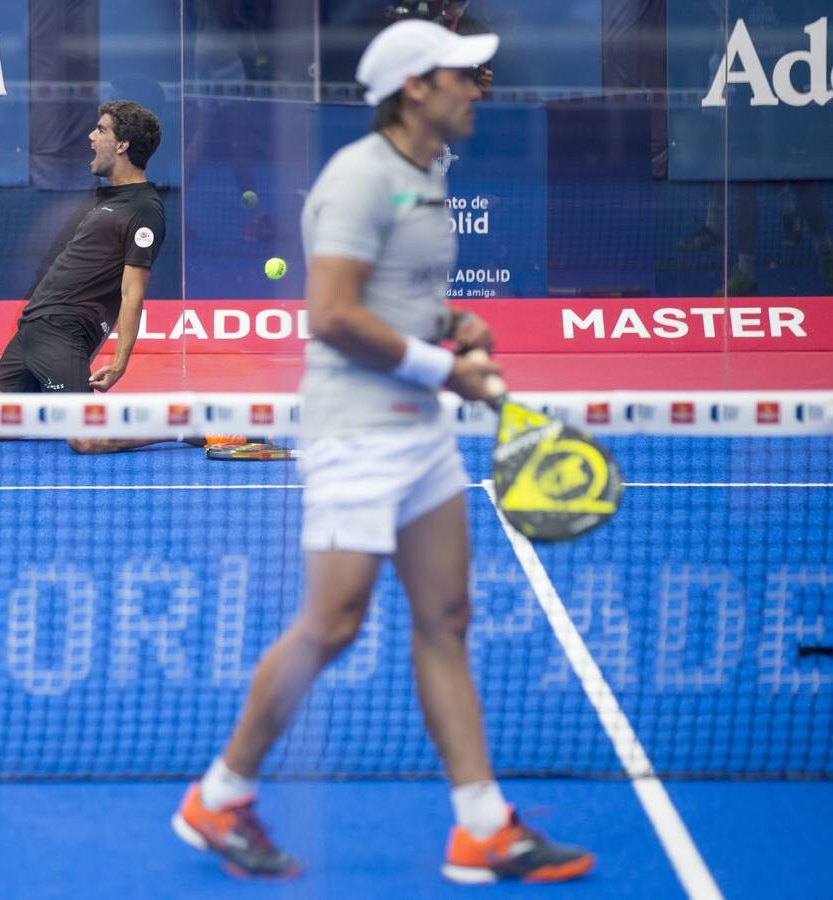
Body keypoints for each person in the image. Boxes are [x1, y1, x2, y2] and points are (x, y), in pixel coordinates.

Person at [171, 20, 595, 884]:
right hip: (355, 434)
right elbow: (328, 315)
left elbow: (395, 302)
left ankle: (480, 825)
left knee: (446, 619)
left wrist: (449, 324)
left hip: (420, 437)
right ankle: (217, 796)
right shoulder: (357, 180)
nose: (478, 89)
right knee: (332, 623)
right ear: (414, 87)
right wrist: (449, 367)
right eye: (462, 77)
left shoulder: (426, 177)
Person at [0, 100, 167, 454]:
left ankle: (179, 426)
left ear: (122, 146)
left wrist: (119, 362)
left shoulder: (143, 210)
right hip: (34, 328)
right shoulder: (109, 198)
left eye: (101, 130)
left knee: (86, 440)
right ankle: (72, 405)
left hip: (64, 330)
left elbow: (133, 293)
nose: (90, 136)